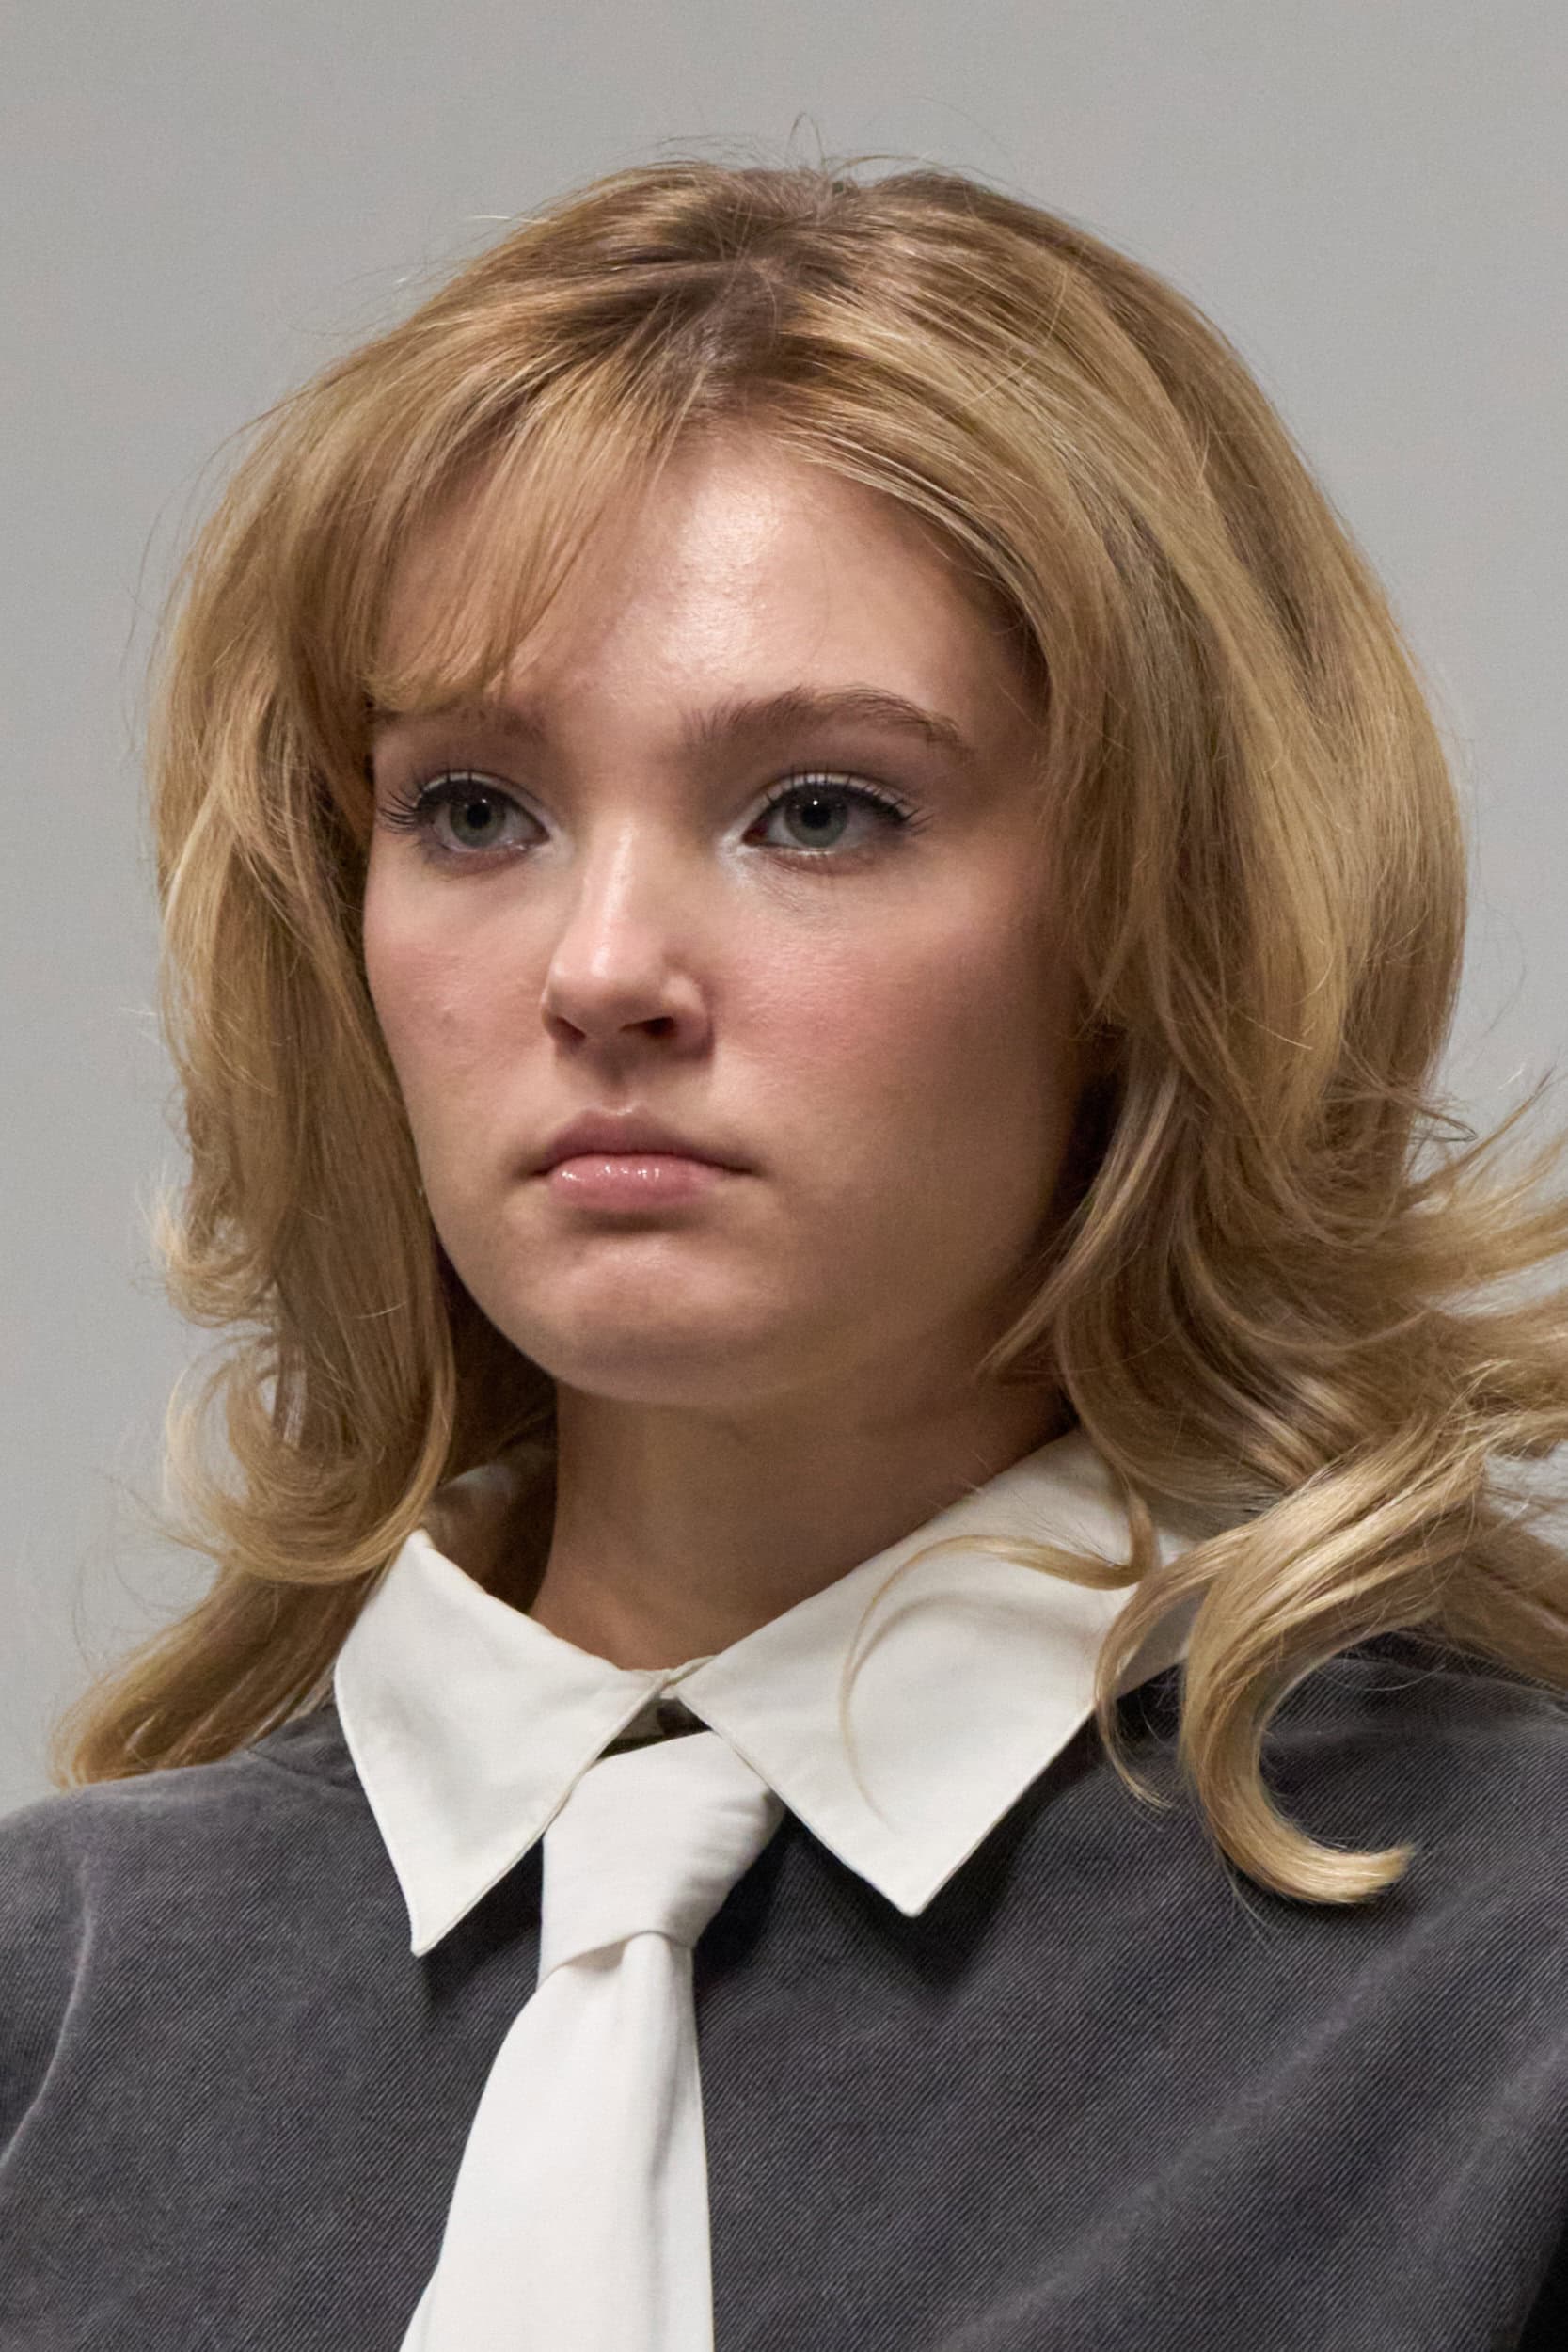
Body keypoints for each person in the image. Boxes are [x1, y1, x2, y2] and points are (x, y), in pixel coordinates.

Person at [4, 152, 1568, 2351]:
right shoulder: (57, 2000)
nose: (602, 967)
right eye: (473, 809)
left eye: (820, 808)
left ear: (1159, 917)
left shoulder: (1511, 1989)